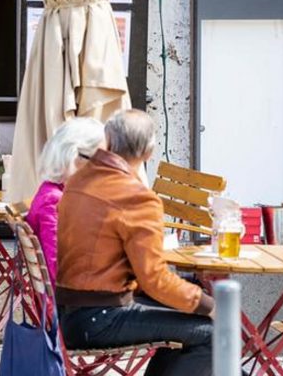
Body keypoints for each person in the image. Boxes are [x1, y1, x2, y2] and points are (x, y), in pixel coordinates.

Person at [55, 109, 215, 376]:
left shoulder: (78, 180)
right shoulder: (137, 198)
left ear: (107, 139)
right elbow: (155, 279)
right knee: (211, 332)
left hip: (68, 315)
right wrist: (212, 305)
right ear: (149, 153)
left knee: (186, 317)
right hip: (100, 318)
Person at [26, 117, 105, 287]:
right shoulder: (55, 201)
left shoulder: (56, 193)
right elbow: (60, 268)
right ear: (73, 156)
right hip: (79, 305)